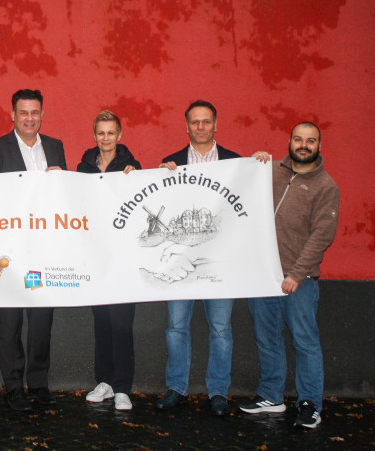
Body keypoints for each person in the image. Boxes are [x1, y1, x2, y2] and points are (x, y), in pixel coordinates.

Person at [239, 123, 339, 429]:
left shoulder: (326, 186)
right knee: (267, 338)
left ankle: (310, 403)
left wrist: (297, 274)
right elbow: (243, 192)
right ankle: (272, 396)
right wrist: (252, 163)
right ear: (290, 141)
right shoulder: (271, 172)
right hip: (264, 275)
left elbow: (321, 236)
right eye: (299, 139)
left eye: (311, 141)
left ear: (319, 145)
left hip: (300, 280)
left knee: (305, 341)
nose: (304, 145)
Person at [0, 88, 67, 412]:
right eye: (23, 113)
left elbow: (64, 199)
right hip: (11, 250)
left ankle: (39, 382)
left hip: (44, 249)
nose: (29, 118)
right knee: (11, 321)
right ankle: (14, 385)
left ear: (42, 115)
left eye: (35, 113)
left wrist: (62, 182)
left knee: (43, 319)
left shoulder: (55, 147)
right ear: (13, 115)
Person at [155, 100, 240, 416]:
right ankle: (177, 387)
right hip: (181, 261)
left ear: (216, 125)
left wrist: (256, 166)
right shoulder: (171, 164)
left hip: (220, 263)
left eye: (206, 122)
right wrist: (158, 179)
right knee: (176, 327)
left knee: (221, 330)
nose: (201, 127)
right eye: (195, 122)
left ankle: (218, 392)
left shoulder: (236, 163)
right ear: (186, 126)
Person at [78, 110, 141, 411]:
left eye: (111, 132)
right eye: (100, 132)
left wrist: (134, 180)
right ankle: (104, 382)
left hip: (123, 258)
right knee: (101, 321)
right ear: (95, 135)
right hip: (95, 255)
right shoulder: (84, 165)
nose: (105, 138)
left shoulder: (132, 166)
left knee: (121, 323)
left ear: (119, 135)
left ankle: (123, 388)